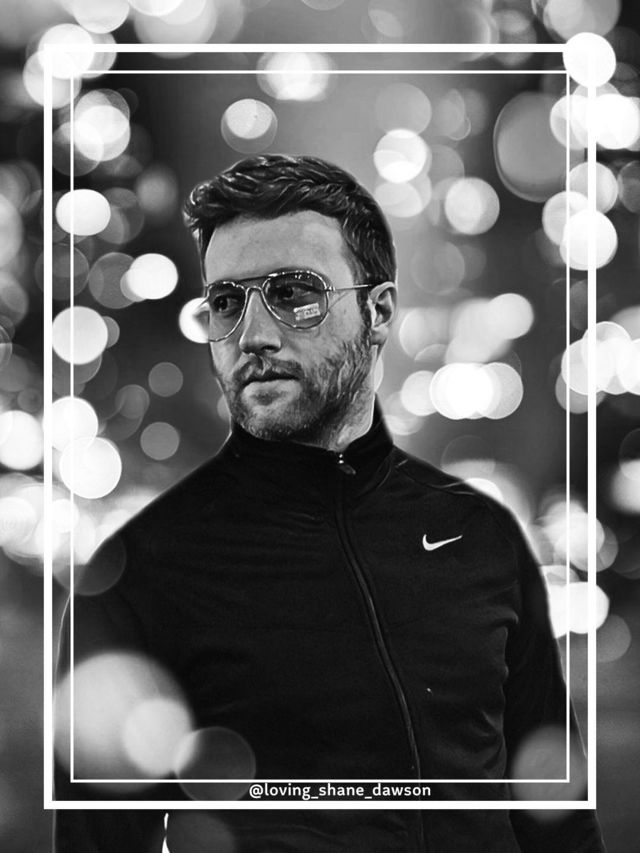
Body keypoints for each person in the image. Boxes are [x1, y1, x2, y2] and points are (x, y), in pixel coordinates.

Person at [54, 154, 605, 852]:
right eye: (226, 303)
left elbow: (559, 818)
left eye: (293, 293)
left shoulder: (479, 533)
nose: (252, 335)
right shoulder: (135, 579)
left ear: (378, 313)